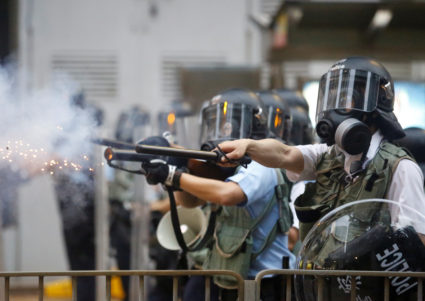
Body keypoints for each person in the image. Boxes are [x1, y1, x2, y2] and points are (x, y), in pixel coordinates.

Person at [217, 57, 425, 299]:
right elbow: (284, 154)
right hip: (322, 290)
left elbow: (416, 243)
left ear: (376, 104)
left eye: (346, 99)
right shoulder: (329, 156)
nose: (336, 106)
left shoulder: (400, 167)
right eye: (332, 95)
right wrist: (248, 145)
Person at [142, 88, 295, 301]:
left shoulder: (263, 164)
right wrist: (176, 159)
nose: (222, 130)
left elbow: (227, 194)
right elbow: (189, 202)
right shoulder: (234, 168)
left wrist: (173, 176)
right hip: (237, 281)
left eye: (228, 121)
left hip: (266, 284)